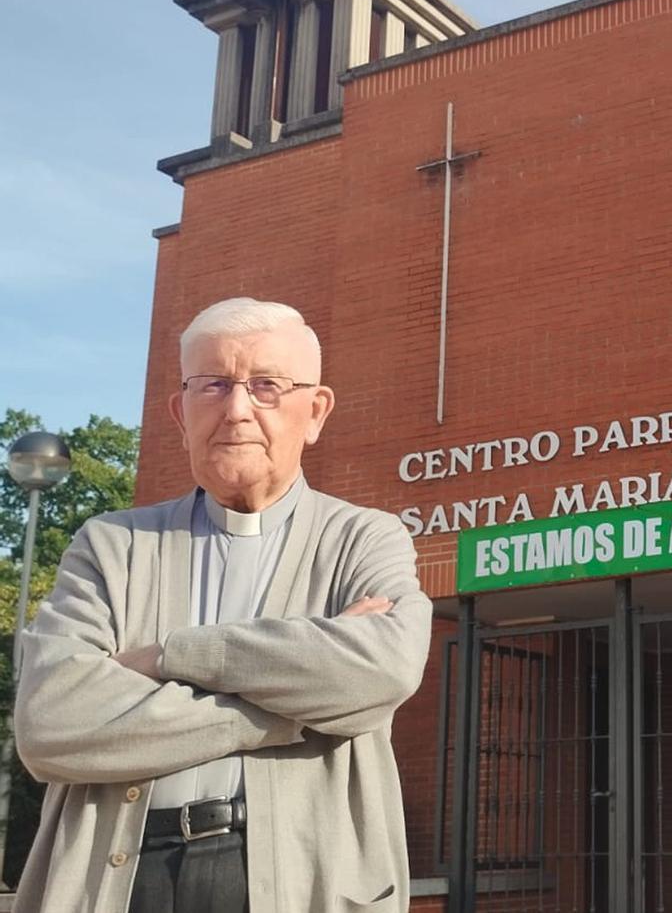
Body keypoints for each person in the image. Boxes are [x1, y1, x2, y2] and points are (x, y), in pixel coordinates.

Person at [13, 298, 433, 913]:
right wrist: (307, 706)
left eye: (267, 386)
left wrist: (168, 655)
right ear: (180, 413)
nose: (237, 410)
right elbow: (51, 725)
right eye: (213, 385)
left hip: (296, 878)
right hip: (122, 879)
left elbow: (384, 668)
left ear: (314, 412)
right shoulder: (113, 545)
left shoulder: (366, 538)